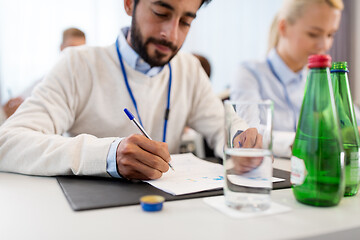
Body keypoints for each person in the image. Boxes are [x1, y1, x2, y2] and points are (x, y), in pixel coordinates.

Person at [0, 0, 259, 180]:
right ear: (129, 3)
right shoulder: (78, 64)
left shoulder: (188, 68)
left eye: (185, 22)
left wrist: (239, 140)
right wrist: (108, 155)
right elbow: (8, 143)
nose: (172, 35)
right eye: (161, 12)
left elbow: (223, 129)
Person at [231, 0, 344, 157]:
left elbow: (350, 121)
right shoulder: (249, 73)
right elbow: (250, 134)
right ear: (283, 27)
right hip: (270, 175)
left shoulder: (320, 80)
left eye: (330, 34)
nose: (324, 45)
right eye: (313, 34)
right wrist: (305, 142)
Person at [0, 27, 86, 125]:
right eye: (71, 48)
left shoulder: (89, 82)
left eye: (81, 49)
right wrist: (14, 109)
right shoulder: (47, 79)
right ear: (61, 48)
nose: (76, 54)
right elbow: (18, 104)